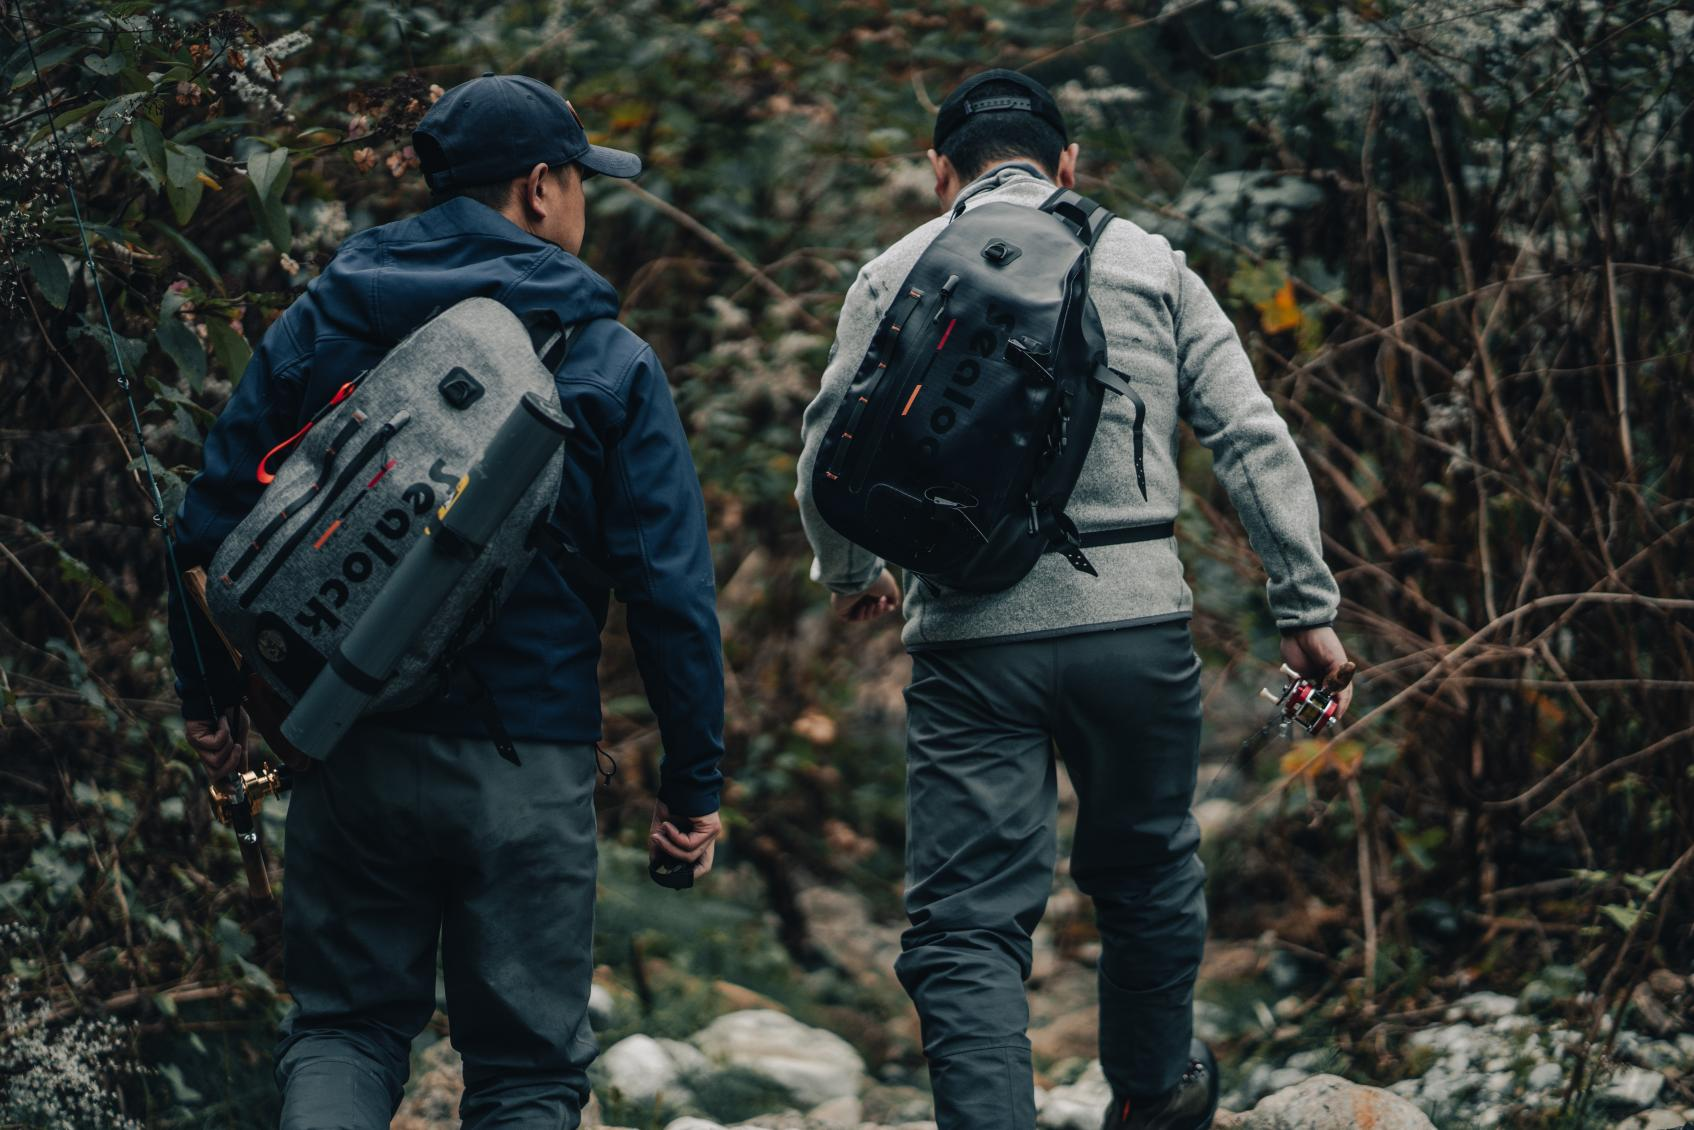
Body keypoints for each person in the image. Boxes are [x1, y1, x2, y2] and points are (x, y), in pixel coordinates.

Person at [796, 69, 1352, 1130]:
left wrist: (848, 570)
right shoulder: (1147, 260)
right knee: (1145, 869)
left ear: (937, 170)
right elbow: (1249, 433)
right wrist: (1302, 602)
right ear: (1067, 163)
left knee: (965, 922)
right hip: (1133, 628)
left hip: (969, 638)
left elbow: (826, 444)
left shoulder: (896, 269)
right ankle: (1151, 1096)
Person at [168, 73, 726, 1130]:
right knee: (524, 1072)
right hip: (529, 761)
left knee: (344, 1027)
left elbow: (199, 528)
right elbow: (668, 591)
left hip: (345, 734)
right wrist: (690, 782)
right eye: (578, 183)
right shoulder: (605, 357)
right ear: (539, 187)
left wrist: (212, 704)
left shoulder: (324, 320)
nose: (580, 205)